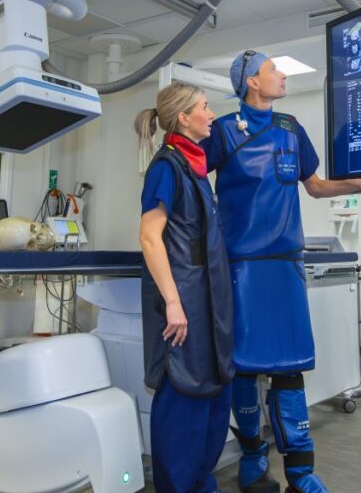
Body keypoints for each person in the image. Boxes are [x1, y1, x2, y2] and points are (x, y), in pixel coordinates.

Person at [201, 50, 361, 493]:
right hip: (242, 267)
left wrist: (358, 184)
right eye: (273, 69)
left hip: (285, 266)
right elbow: (190, 179)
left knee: (290, 367)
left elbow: (315, 185)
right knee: (245, 369)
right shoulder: (224, 132)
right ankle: (252, 457)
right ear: (252, 81)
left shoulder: (290, 129)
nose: (282, 74)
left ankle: (301, 473)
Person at [136, 83, 234, 493]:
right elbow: (149, 237)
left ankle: (200, 485)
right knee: (183, 400)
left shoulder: (195, 167)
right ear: (184, 118)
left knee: (213, 398)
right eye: (205, 108)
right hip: (184, 306)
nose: (211, 115)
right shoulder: (166, 167)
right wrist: (173, 303)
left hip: (209, 305)